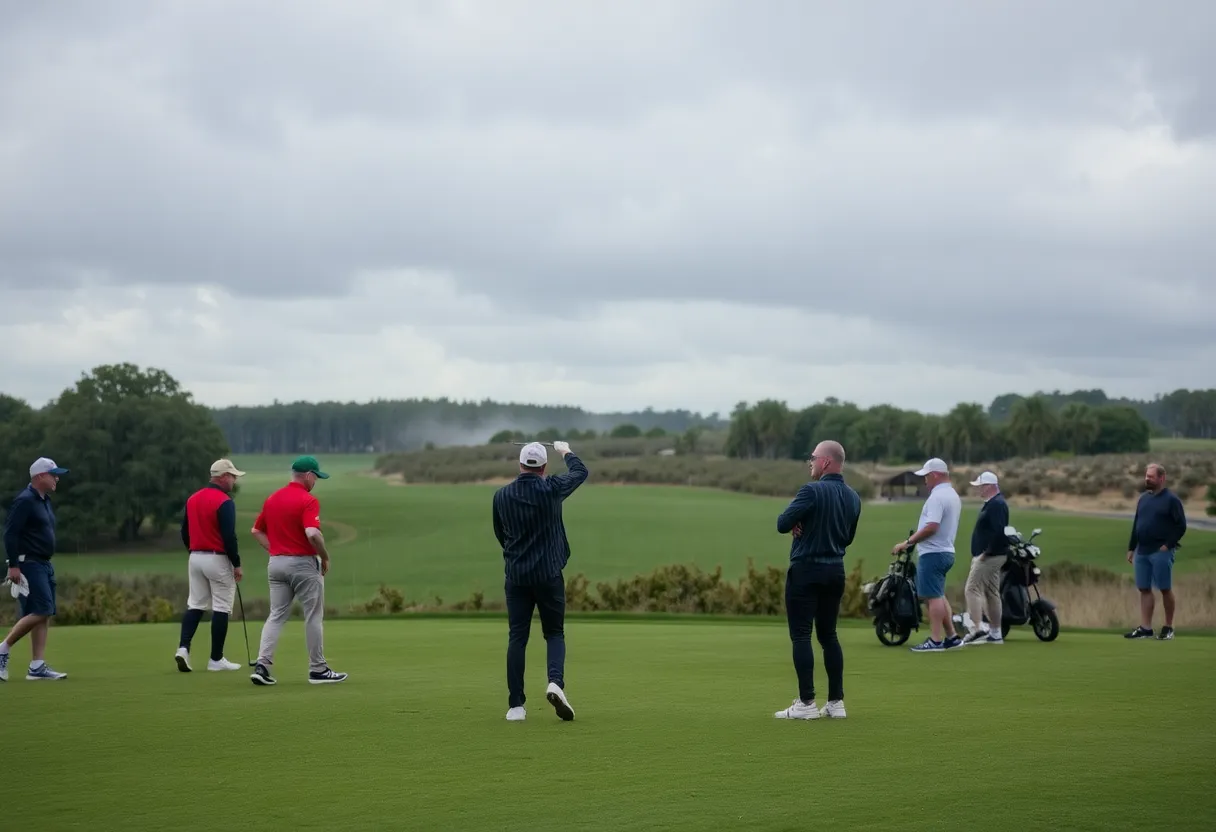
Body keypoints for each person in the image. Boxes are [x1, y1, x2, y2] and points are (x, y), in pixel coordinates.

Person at [493, 440, 588, 722]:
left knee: (518, 637)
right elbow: (580, 472)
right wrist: (566, 451)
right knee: (554, 633)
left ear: (520, 465)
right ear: (544, 467)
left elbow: (501, 534)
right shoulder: (552, 489)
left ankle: (516, 707)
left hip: (517, 576)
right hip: (548, 575)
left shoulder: (501, 496)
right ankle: (555, 683)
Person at [772, 440, 862, 721]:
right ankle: (836, 703)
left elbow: (782, 523)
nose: (809, 462)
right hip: (835, 571)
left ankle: (806, 703)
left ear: (825, 462)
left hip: (806, 570)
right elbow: (847, 537)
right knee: (829, 636)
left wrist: (801, 524)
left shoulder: (810, 491)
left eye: (812, 458)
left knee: (801, 635)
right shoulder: (853, 497)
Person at [248, 455, 347, 686]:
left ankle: (262, 666)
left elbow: (256, 530)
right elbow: (312, 533)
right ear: (309, 475)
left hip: (276, 564)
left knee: (276, 615)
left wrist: (276, 550)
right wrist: (324, 556)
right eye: (316, 477)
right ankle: (318, 670)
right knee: (313, 615)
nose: (316, 482)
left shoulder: (272, 498)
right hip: (303, 564)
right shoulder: (308, 500)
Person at [0, 457, 70, 682]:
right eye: (53, 474)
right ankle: (3, 648)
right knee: (42, 609)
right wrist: (13, 565)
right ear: (40, 476)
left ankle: (37, 666)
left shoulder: (44, 500)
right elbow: (10, 534)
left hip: (43, 563)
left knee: (44, 612)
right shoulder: (25, 501)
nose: (57, 478)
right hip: (28, 562)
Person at [175, 459, 247, 672]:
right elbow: (228, 536)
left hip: (195, 557)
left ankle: (183, 649)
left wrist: (193, 550)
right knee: (222, 607)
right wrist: (236, 563)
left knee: (195, 604)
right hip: (217, 558)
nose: (234, 481)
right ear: (223, 477)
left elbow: (183, 531)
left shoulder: (193, 498)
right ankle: (216, 659)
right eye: (233, 476)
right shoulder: (224, 501)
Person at [893, 457, 963, 652]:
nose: (924, 480)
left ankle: (935, 640)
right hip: (946, 551)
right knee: (939, 594)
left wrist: (908, 542)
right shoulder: (952, 495)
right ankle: (952, 637)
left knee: (932, 597)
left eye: (926, 476)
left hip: (933, 552)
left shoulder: (937, 497)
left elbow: (931, 527)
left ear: (934, 475)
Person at [1124, 463, 1187, 641]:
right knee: (1144, 588)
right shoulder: (1143, 499)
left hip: (1161, 551)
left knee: (1164, 588)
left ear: (1161, 478)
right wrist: (1131, 547)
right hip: (1142, 551)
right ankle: (1146, 628)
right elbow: (1137, 524)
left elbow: (1181, 525)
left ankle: (1168, 627)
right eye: (1146, 476)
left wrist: (1168, 544)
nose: (1147, 479)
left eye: (1151, 476)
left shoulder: (1171, 500)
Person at [961, 470, 1009, 646]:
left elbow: (999, 532)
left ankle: (977, 629)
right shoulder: (994, 503)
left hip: (990, 556)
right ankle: (996, 633)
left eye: (980, 486)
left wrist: (985, 553)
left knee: (971, 589)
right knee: (991, 592)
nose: (978, 490)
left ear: (989, 486)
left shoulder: (996, 505)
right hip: (993, 555)